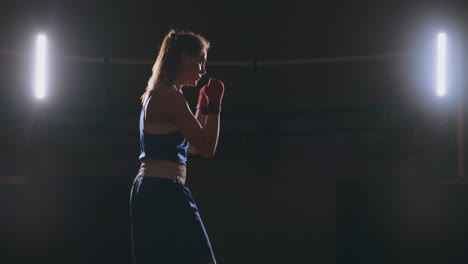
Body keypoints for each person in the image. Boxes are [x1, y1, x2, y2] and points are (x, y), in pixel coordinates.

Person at [129, 29, 224, 264]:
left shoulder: (162, 93)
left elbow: (190, 146)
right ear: (184, 58)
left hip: (152, 189)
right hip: (164, 189)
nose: (203, 69)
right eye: (200, 61)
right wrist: (214, 106)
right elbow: (207, 148)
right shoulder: (170, 97)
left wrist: (202, 108)